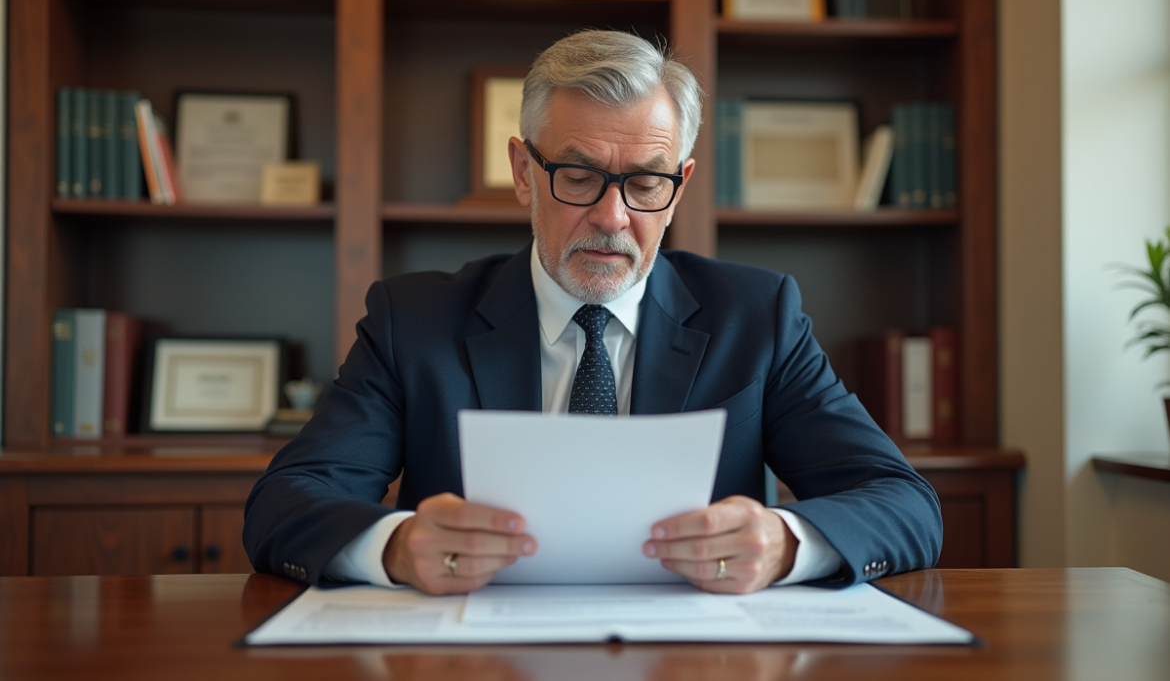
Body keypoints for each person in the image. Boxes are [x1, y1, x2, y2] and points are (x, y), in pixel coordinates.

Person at [243, 30, 942, 596]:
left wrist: (788, 544)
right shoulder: (414, 320)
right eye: (578, 177)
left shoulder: (757, 318)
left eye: (645, 183)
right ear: (524, 172)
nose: (611, 218)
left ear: (680, 186)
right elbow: (286, 502)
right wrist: (394, 548)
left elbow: (901, 502)